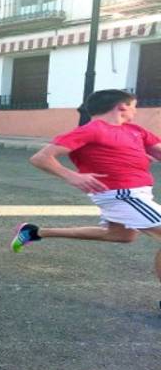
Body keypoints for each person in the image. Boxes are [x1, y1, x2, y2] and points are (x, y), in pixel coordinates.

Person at [10, 90, 161, 292]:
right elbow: (40, 158)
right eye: (134, 105)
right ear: (122, 106)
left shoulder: (135, 130)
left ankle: (34, 232)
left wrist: (140, 157)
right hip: (122, 195)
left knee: (121, 236)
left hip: (139, 194)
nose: (135, 110)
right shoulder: (91, 130)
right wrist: (72, 175)